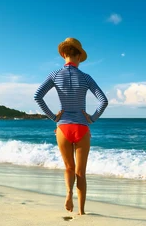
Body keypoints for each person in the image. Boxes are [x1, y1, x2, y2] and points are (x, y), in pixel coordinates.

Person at [34, 38, 108, 215]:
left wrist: (54, 117)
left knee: (69, 168)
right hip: (82, 127)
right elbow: (103, 101)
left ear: (63, 54)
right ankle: (81, 211)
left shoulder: (54, 75)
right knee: (81, 173)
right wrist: (92, 118)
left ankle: (68, 194)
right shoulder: (85, 77)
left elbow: (37, 96)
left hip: (63, 128)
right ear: (79, 57)